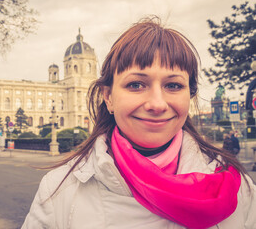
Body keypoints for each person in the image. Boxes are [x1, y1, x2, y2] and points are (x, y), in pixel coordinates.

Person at [22, 17, 256, 229]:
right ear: (108, 96)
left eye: (173, 85)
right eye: (136, 84)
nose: (157, 104)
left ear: (190, 95)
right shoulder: (58, 191)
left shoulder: (240, 189)